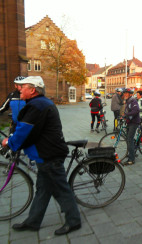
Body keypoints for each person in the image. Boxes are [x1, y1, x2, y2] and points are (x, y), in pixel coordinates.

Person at [1, 76, 81, 235]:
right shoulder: (40, 103)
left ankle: (74, 221)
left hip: (49, 155)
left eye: (23, 86)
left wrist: (9, 142)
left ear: (32, 90)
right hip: (46, 153)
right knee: (43, 190)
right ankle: (33, 222)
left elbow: (24, 130)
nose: (20, 89)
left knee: (61, 190)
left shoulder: (37, 106)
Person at [122, 88, 140, 165]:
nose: (125, 94)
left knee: (130, 139)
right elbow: (127, 111)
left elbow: (136, 111)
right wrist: (123, 116)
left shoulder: (133, 101)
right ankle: (131, 153)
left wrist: (126, 115)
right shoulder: (128, 101)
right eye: (124, 93)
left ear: (130, 94)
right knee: (129, 139)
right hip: (129, 122)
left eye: (127, 93)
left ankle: (131, 159)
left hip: (134, 122)